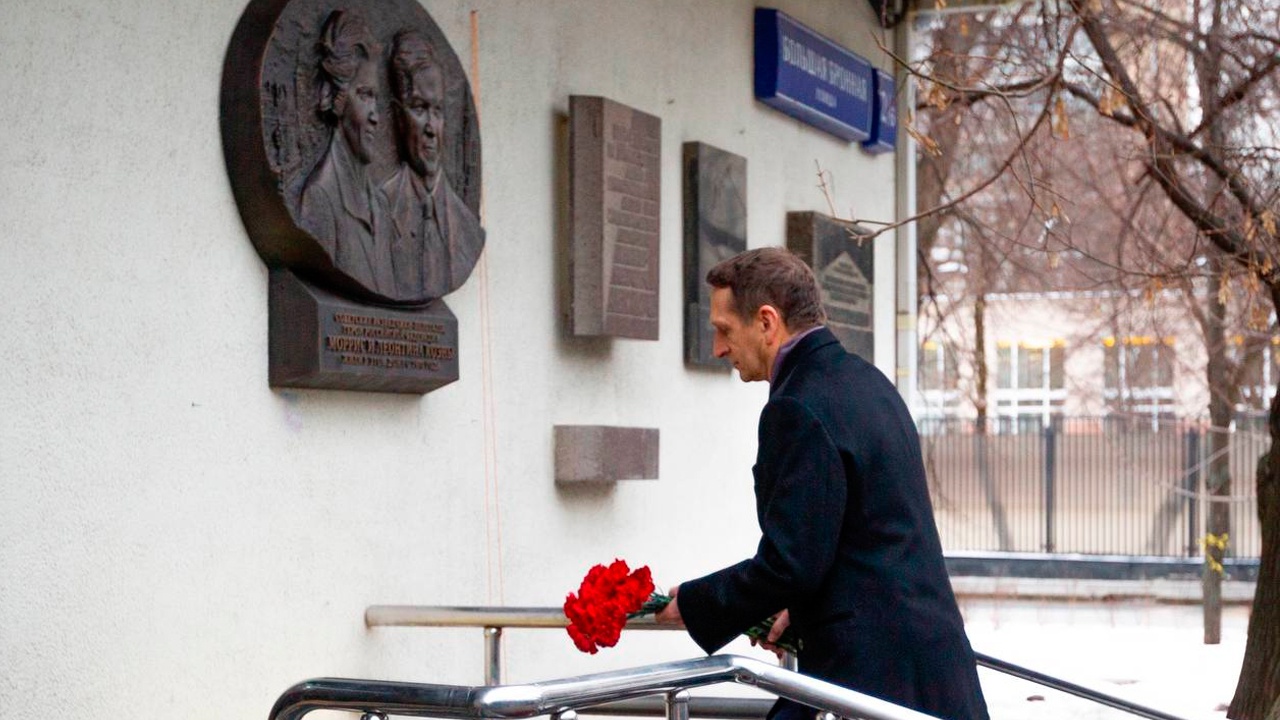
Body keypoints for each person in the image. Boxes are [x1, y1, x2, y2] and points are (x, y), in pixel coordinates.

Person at [656, 248, 989, 720]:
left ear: (767, 322)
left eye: (725, 329)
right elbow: (870, 534)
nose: (718, 348)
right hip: (932, 667)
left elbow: (790, 564)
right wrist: (808, 609)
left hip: (870, 677)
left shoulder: (797, 407)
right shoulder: (868, 382)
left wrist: (696, 602)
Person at [381, 30, 485, 300]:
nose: (430, 127)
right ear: (397, 116)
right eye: (419, 108)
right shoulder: (378, 212)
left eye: (437, 111)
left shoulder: (467, 230)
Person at [298, 9, 392, 295]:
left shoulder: (381, 206)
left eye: (375, 97)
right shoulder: (320, 199)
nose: (375, 114)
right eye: (364, 95)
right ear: (338, 101)